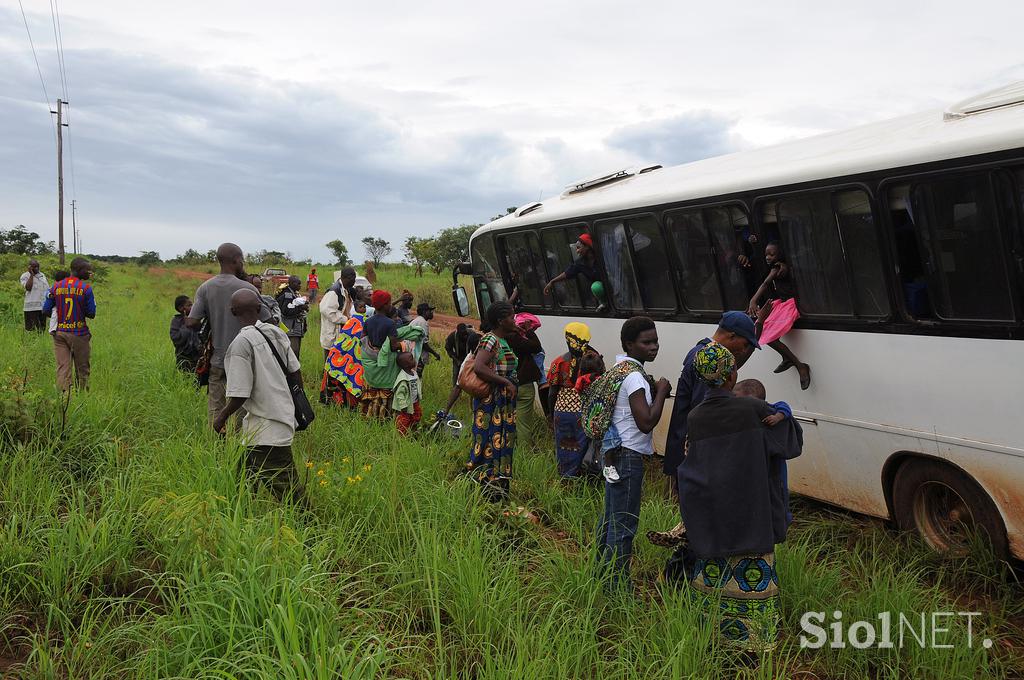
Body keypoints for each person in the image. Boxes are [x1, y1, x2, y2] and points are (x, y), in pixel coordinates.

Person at [677, 343, 803, 653]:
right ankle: (754, 648)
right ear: (732, 374)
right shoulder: (753, 409)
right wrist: (784, 411)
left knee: (714, 579)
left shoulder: (695, 416)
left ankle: (716, 642)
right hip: (752, 516)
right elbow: (791, 445)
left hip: (712, 518)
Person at [652, 310, 762, 545]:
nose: (743, 350)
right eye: (745, 344)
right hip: (692, 453)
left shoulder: (703, 354)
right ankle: (686, 569)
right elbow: (707, 413)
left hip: (689, 451)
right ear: (731, 336)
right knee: (697, 519)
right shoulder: (708, 363)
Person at [595, 317, 671, 590]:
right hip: (627, 456)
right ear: (629, 344)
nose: (653, 347)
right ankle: (617, 589)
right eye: (646, 342)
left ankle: (600, 576)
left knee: (609, 518)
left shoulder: (619, 368)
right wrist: (661, 392)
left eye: (655, 341)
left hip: (612, 452)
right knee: (623, 525)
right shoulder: (635, 377)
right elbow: (646, 421)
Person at [214, 289, 304, 503]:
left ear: (232, 312)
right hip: (272, 419)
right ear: (259, 308)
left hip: (267, 427)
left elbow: (239, 395)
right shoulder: (275, 333)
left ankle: (312, 531)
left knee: (290, 494)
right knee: (242, 477)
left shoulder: (240, 345)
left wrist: (220, 418)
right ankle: (241, 516)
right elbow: (296, 373)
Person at [186, 243, 267, 426]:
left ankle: (217, 445)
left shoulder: (205, 288)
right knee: (241, 405)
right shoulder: (248, 289)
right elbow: (267, 319)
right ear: (236, 260)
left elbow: (192, 322)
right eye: (242, 260)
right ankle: (237, 446)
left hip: (217, 358)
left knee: (216, 403)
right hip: (244, 358)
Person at [465, 301, 519, 497]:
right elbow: (479, 367)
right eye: (511, 317)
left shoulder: (503, 340)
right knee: (490, 439)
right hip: (493, 402)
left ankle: (498, 487)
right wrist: (505, 382)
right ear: (500, 320)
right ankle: (486, 486)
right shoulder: (490, 339)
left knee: (502, 440)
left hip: (503, 402)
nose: (514, 320)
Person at [747, 241, 811, 390]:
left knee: (767, 335)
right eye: (766, 255)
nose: (768, 257)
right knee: (763, 332)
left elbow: (765, 284)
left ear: (780, 255)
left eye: (772, 254)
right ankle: (787, 358)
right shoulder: (780, 265)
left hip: (789, 304)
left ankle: (800, 366)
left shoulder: (777, 268)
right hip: (782, 303)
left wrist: (753, 300)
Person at [734, 378, 795, 526]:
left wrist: (778, 417)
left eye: (736, 398)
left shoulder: (767, 412)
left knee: (779, 493)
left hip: (775, 469)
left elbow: (784, 406)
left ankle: (784, 519)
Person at [546, 321, 594, 478]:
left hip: (562, 410)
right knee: (582, 444)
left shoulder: (558, 362)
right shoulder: (594, 360)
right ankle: (581, 475)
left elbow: (552, 393)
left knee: (564, 444)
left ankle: (566, 476)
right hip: (584, 410)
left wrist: (551, 415)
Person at [42, 258, 96, 390]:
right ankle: (82, 398)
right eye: (87, 269)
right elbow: (91, 313)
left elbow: (46, 310)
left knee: (63, 369)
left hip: (60, 334)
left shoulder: (56, 286)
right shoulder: (86, 289)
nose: (89, 272)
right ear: (78, 270)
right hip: (79, 334)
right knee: (82, 369)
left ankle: (63, 401)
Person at [360, 290, 404, 418]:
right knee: (386, 389)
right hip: (386, 363)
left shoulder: (368, 321)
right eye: (389, 302)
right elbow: (394, 345)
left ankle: (369, 413)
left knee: (373, 388)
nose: (391, 305)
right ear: (385, 305)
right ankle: (384, 415)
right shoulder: (390, 323)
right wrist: (404, 345)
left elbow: (363, 339)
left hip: (370, 361)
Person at [506, 312, 545, 440]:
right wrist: (528, 331)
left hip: (505, 384)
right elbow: (536, 347)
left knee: (508, 418)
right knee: (523, 424)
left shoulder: (500, 338)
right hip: (523, 384)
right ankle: (523, 451)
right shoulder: (517, 339)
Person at [542, 233, 606, 309]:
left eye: (579, 248)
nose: (577, 251)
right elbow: (567, 273)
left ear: (587, 247)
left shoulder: (602, 257)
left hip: (610, 287)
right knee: (596, 287)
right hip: (600, 291)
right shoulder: (580, 263)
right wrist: (552, 282)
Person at [319, 267, 357, 361]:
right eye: (353, 278)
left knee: (338, 362)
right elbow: (326, 310)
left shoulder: (345, 289)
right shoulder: (334, 291)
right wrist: (346, 320)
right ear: (346, 278)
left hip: (340, 331)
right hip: (332, 332)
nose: (354, 281)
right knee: (330, 362)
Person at [277, 275, 309, 360]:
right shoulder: (287, 294)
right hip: (291, 329)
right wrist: (301, 308)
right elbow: (286, 311)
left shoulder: (294, 293)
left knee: (295, 353)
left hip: (295, 329)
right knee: (293, 355)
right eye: (298, 283)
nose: (300, 286)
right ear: (291, 283)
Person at [170, 295, 202, 374]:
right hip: (183, 357)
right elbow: (176, 339)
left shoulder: (196, 320)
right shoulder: (176, 321)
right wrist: (186, 325)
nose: (193, 307)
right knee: (185, 378)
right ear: (181, 308)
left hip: (197, 357)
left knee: (197, 380)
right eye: (189, 305)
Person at [393, 348, 422, 434]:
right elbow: (400, 393)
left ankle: (414, 430)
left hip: (414, 401)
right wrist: (403, 405)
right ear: (406, 365)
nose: (414, 360)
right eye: (411, 359)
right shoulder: (403, 378)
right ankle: (401, 435)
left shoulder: (414, 373)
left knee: (416, 415)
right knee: (404, 419)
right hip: (406, 404)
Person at [410, 302, 441, 377]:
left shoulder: (418, 320)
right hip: (417, 355)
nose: (432, 313)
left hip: (412, 353)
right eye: (430, 311)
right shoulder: (423, 322)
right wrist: (435, 353)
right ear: (424, 312)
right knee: (416, 376)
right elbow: (424, 344)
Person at [20, 259, 48, 331]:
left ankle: (41, 342)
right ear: (30, 267)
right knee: (31, 330)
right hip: (31, 309)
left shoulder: (42, 275)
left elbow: (46, 289)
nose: (37, 269)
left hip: (42, 308)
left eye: (38, 267)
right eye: (34, 267)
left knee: (42, 330)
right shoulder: (25, 276)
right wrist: (31, 275)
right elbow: (28, 288)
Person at [47, 270, 68, 335]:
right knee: (55, 312)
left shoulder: (68, 287)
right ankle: (52, 329)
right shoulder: (55, 286)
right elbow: (48, 292)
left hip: (66, 305)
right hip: (58, 305)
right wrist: (50, 295)